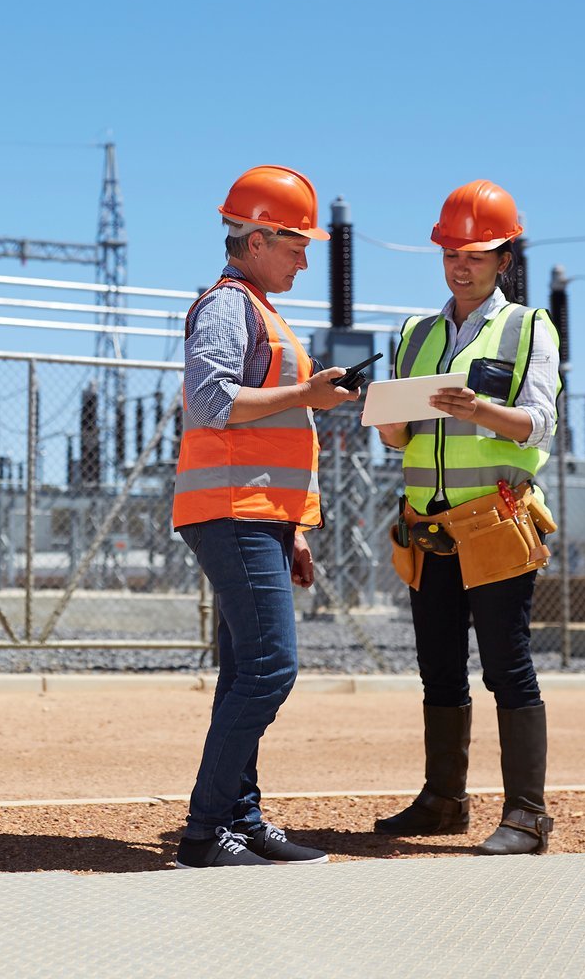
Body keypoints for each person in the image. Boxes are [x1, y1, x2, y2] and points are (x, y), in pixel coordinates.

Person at [170, 165, 359, 869]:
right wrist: (307, 395)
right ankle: (204, 830)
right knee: (272, 668)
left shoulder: (260, 308)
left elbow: (268, 424)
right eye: (295, 245)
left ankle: (241, 819)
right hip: (231, 510)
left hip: (259, 516)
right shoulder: (226, 307)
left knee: (244, 669)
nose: (306, 258)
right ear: (254, 239)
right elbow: (212, 403)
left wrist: (294, 528)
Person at [373, 179, 560, 855]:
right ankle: (443, 800)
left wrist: (478, 410)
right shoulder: (416, 335)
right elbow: (397, 441)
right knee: (439, 668)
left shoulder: (527, 327)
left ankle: (527, 816)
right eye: (452, 252)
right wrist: (390, 424)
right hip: (428, 527)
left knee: (507, 666)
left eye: (477, 254)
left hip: (496, 524)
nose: (462, 264)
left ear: (504, 259)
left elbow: (539, 424)